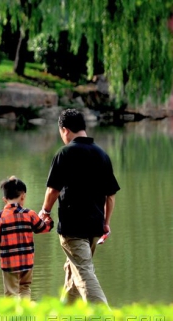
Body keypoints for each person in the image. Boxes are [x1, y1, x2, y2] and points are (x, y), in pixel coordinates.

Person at [39, 109, 120, 306]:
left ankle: (104, 319)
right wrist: (106, 223)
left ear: (64, 130)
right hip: (94, 227)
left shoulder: (64, 153)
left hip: (72, 227)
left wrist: (45, 212)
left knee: (83, 272)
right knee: (74, 270)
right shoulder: (102, 155)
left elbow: (53, 190)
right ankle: (65, 318)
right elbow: (110, 196)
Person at [0, 176, 53, 300]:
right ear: (23, 196)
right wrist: (47, 220)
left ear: (4, 200)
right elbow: (43, 228)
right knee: (25, 288)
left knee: (11, 292)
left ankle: (12, 316)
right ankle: (25, 313)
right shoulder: (30, 214)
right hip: (26, 262)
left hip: (9, 264)